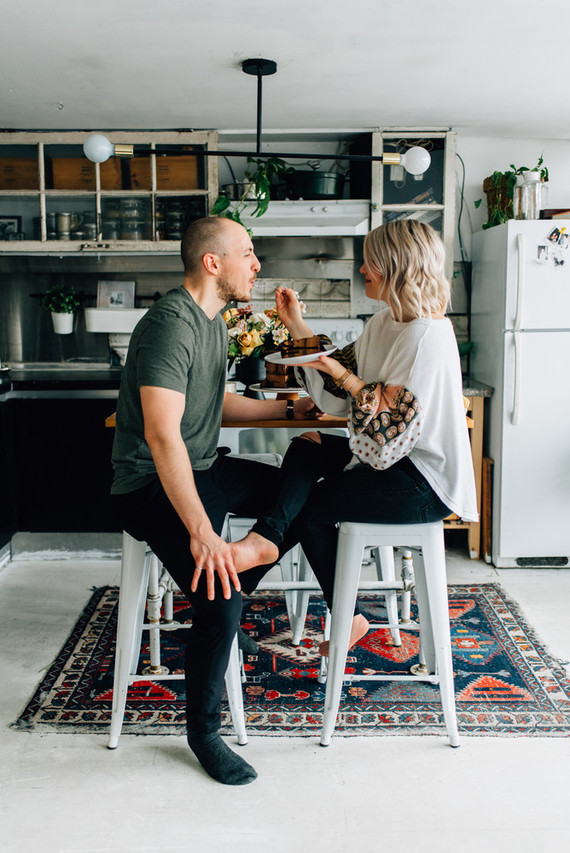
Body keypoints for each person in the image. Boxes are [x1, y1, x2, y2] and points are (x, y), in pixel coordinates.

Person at [110, 216, 320, 786]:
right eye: (247, 253)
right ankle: (203, 730)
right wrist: (203, 534)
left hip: (201, 468)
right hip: (147, 482)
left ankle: (241, 573)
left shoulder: (213, 324)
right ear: (212, 263)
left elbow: (215, 403)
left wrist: (286, 410)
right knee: (220, 596)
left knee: (307, 490)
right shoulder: (169, 326)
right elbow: (161, 436)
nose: (256, 264)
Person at [230, 219, 478, 653]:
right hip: (393, 459)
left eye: (371, 262)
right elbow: (338, 395)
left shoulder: (427, 337)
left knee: (309, 508)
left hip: (424, 481)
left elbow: (388, 430)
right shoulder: (385, 322)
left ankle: (341, 616)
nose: (362, 269)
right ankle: (259, 548)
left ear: (395, 266)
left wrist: (339, 374)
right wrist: (296, 324)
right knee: (308, 443)